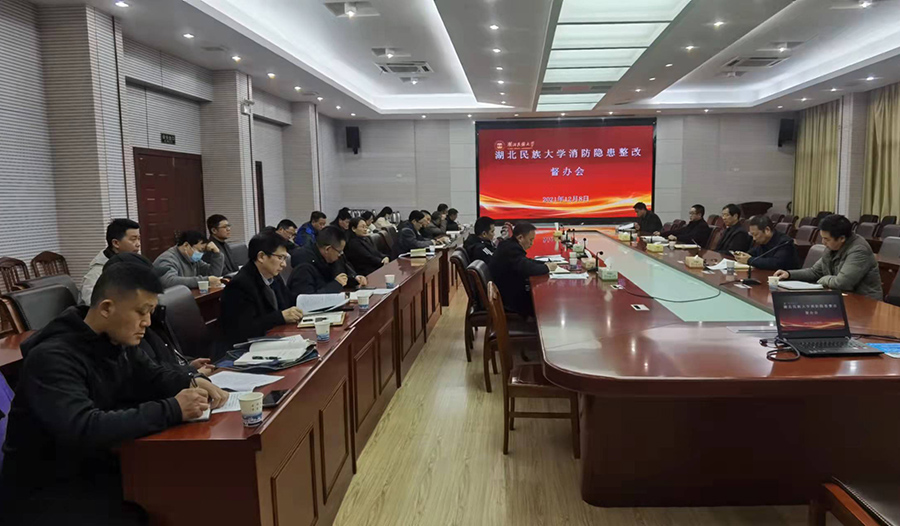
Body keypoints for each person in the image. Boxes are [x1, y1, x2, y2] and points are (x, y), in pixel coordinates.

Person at [0, 263, 227, 526]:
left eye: (151, 312)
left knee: (190, 485)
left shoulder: (116, 340)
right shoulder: (52, 358)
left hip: (98, 467)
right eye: (141, 312)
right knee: (164, 504)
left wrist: (190, 379)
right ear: (107, 308)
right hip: (47, 490)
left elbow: (153, 375)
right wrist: (173, 409)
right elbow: (84, 427)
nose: (147, 322)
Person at [103, 253, 215, 376]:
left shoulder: (155, 316)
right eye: (141, 311)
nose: (147, 321)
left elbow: (163, 364)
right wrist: (189, 373)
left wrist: (188, 366)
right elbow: (150, 375)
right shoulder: (126, 334)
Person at [220, 231, 304, 349]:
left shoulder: (274, 276)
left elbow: (288, 300)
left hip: (273, 338)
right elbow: (244, 328)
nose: (284, 264)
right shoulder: (240, 285)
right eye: (280, 258)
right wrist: (280, 317)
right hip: (247, 347)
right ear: (261, 257)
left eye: (285, 258)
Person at [774, 214, 882, 299]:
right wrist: (789, 274)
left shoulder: (859, 250)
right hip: (842, 296)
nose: (823, 242)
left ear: (842, 238)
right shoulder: (832, 247)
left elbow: (842, 283)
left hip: (864, 302)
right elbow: (815, 272)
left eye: (826, 239)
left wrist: (823, 279)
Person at [490, 223, 557, 318]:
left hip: (508, 291)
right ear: (520, 238)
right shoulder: (511, 249)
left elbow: (525, 261)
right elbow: (527, 268)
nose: (532, 243)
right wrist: (547, 268)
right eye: (530, 240)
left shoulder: (509, 245)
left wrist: (544, 264)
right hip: (510, 299)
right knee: (547, 302)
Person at [81, 218, 141, 305]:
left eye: (139, 239)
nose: (138, 244)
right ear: (116, 243)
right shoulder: (98, 272)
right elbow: (94, 303)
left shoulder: (134, 263)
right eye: (133, 239)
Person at [288, 226, 362, 295]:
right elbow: (308, 298)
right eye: (339, 252)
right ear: (328, 249)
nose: (340, 255)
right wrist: (336, 285)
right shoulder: (303, 262)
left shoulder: (328, 258)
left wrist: (354, 280)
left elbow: (337, 278)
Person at [153, 230, 224, 289]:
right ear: (186, 245)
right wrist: (204, 280)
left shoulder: (193, 260)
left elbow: (213, 275)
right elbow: (169, 281)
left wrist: (217, 254)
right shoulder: (167, 259)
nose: (201, 254)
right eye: (200, 250)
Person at [734, 215, 800, 270]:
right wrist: (743, 255)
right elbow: (753, 252)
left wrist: (749, 260)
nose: (754, 238)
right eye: (752, 235)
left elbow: (776, 263)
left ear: (767, 230)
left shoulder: (785, 242)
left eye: (756, 234)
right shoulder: (763, 241)